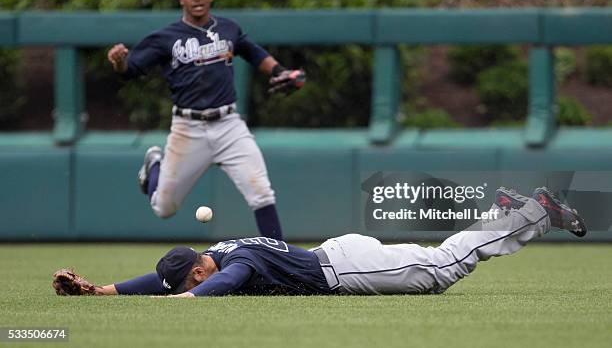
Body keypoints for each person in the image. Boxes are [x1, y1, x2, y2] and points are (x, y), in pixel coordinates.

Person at [53, 187, 587, 297]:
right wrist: (100, 291)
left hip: (345, 269)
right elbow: (164, 276)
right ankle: (505, 215)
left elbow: (224, 283)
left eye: (190, 280)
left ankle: (532, 213)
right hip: (338, 252)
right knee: (436, 258)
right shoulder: (213, 254)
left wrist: (185, 302)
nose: (191, 281)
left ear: (198, 272)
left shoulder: (228, 269)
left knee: (442, 269)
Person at [107, 0, 305, 240]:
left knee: (261, 193)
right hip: (188, 128)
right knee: (163, 208)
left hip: (229, 125)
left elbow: (253, 52)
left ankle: (280, 260)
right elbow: (130, 70)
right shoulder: (166, 37)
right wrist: (119, 62)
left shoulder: (228, 28)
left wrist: (282, 71)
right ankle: (154, 165)